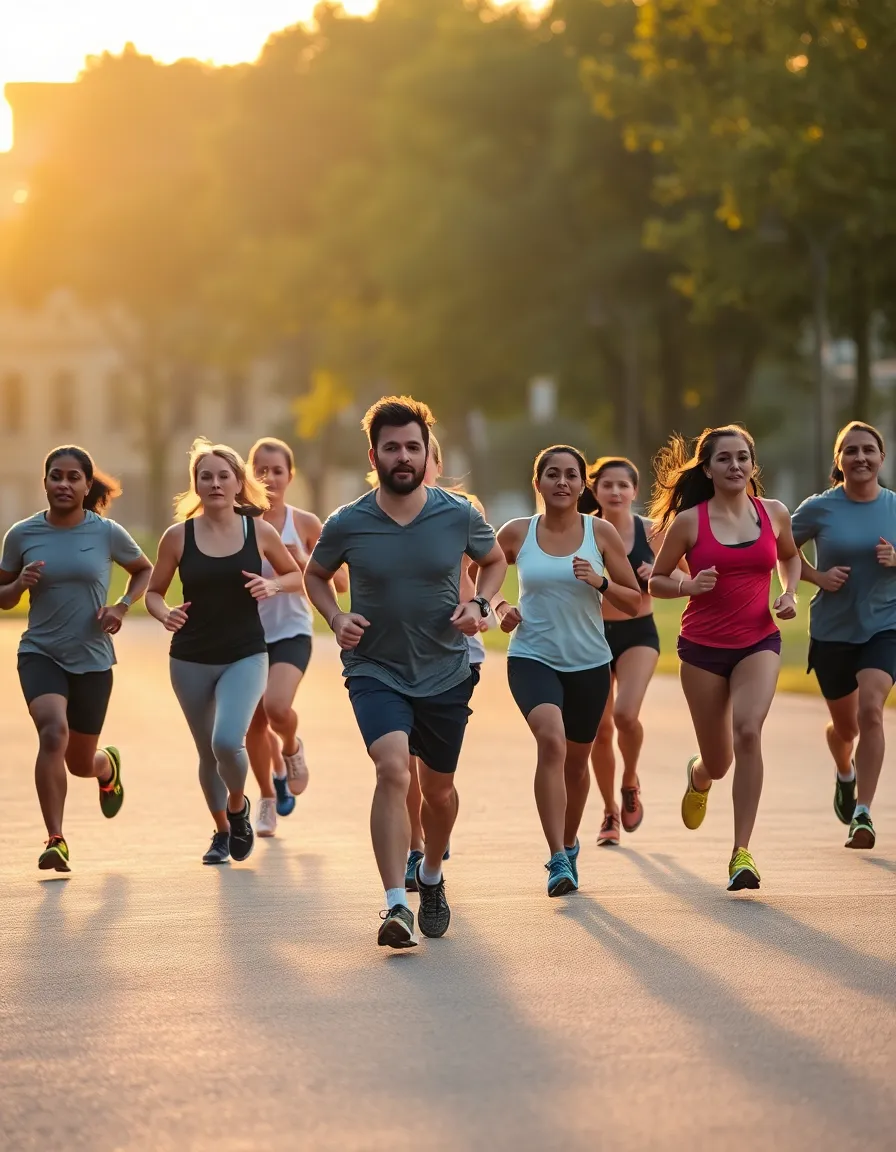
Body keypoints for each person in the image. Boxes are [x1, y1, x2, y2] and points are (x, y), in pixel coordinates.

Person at [304, 396, 507, 950]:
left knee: (438, 793)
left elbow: (493, 563)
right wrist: (336, 615)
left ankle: (432, 875)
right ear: (373, 454)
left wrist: (482, 606)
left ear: (426, 453)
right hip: (375, 667)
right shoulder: (348, 522)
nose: (403, 456)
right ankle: (396, 904)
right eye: (391, 447)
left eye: (412, 447)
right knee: (392, 768)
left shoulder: (458, 513)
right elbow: (316, 574)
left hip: (445, 669)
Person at [649, 425, 801, 891]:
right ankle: (699, 775)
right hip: (702, 648)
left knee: (749, 731)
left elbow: (790, 557)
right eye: (724, 459)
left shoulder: (773, 513)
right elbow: (655, 581)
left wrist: (789, 591)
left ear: (753, 466)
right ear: (709, 469)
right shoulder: (691, 522)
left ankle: (741, 853)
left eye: (743, 458)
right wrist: (687, 586)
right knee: (720, 761)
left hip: (758, 640)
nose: (735, 466)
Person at [145, 439, 303, 865]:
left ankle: (238, 806)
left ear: (238, 483)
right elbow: (154, 593)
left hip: (245, 653)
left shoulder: (260, 531)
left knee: (227, 741)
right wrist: (165, 613)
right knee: (205, 752)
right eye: (205, 476)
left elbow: (295, 577)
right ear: (195, 484)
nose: (214, 483)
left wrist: (272, 584)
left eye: (223, 475)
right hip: (190, 656)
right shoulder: (177, 536)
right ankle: (221, 831)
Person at [496, 446, 641, 897]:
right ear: (537, 483)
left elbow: (633, 601)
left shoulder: (600, 534)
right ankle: (556, 855)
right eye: (552, 474)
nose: (562, 482)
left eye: (571, 475)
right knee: (551, 740)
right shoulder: (517, 533)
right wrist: (497, 604)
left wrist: (599, 581)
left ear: (584, 486)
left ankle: (569, 842)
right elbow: (472, 571)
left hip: (589, 662)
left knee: (577, 765)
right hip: (532, 656)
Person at [0, 446, 152, 872]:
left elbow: (143, 570)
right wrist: (20, 586)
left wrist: (121, 606)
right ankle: (56, 838)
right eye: (55, 476)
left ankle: (106, 767)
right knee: (53, 732)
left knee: (80, 761)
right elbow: (3, 596)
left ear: (87, 486)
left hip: (92, 658)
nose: (63, 484)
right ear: (45, 482)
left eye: (72, 477)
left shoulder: (106, 532)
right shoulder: (22, 535)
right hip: (40, 653)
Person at [792, 421, 896, 850]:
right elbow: (778, 549)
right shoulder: (820, 508)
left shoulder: (894, 505)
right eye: (850, 450)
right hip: (833, 631)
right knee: (845, 727)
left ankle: (864, 813)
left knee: (872, 711)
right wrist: (816, 576)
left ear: (881, 458)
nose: (860, 457)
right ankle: (844, 771)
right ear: (839, 461)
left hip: (885, 626)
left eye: (868, 450)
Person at [246, 437, 348, 837]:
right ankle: (267, 797)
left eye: (277, 470)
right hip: (247, 636)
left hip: (290, 631)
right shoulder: (238, 522)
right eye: (260, 469)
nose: (268, 477)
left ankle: (291, 747)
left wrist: (303, 560)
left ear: (291, 476)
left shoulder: (304, 524)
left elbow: (339, 581)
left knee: (276, 707)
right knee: (252, 725)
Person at [585, 457, 675, 846]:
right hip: (590, 635)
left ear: (635, 491)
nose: (616, 492)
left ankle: (630, 780)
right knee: (599, 730)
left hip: (639, 632)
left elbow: (685, 574)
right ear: (596, 491)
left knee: (625, 714)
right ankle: (608, 812)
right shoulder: (583, 529)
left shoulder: (654, 532)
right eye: (608, 485)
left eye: (624, 485)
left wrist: (656, 576)